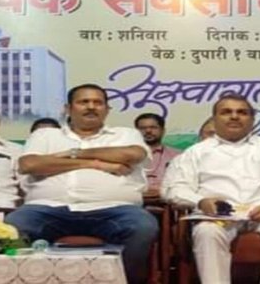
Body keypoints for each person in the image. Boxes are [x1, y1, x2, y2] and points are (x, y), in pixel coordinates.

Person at [9, 84, 159, 284]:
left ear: (107, 109)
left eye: (98, 102)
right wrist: (96, 164)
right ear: (68, 108)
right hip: (47, 209)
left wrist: (73, 153)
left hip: (115, 210)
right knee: (14, 226)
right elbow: (30, 164)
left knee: (142, 226)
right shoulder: (45, 135)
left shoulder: (125, 134)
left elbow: (133, 155)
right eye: (84, 102)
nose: (91, 107)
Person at [164, 94, 260, 284]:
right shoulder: (195, 152)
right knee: (207, 233)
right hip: (219, 216)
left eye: (242, 112)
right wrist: (201, 202)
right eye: (226, 112)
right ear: (214, 119)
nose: (234, 116)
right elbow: (175, 189)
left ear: (252, 120)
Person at [135, 113, 179, 195]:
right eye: (143, 128)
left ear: (163, 131)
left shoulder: (178, 156)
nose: (148, 131)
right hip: (133, 200)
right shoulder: (126, 157)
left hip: (167, 200)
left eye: (153, 127)